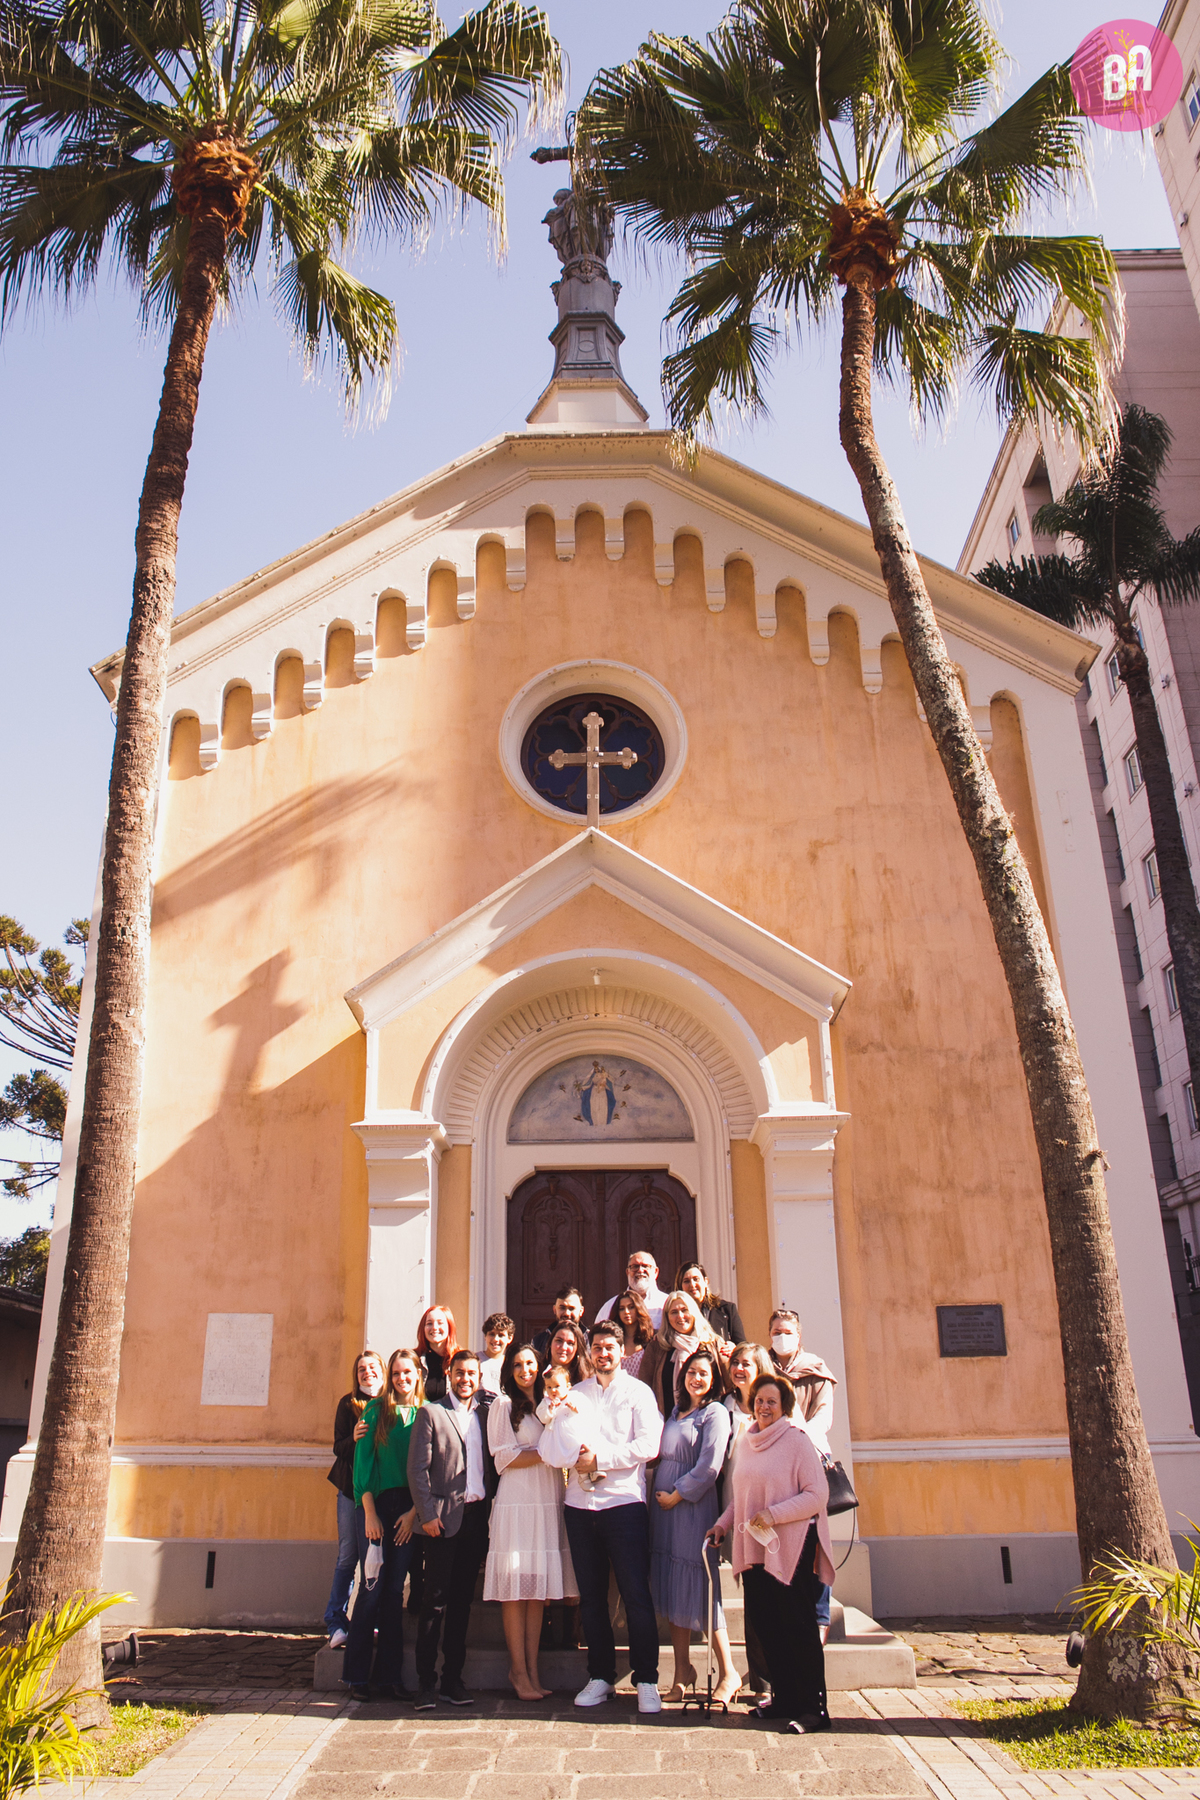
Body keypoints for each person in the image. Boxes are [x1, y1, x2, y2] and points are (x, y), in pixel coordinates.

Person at [539, 1317, 664, 1714]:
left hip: (624, 1505)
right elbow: (553, 1443)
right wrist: (569, 1451)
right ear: (589, 1353)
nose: (603, 1353)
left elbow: (649, 1445)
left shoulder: (638, 1392)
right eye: (597, 1348)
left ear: (622, 1352)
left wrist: (601, 1459)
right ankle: (600, 1677)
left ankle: (647, 1679)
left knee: (635, 1595)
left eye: (610, 1347)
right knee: (591, 1598)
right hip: (579, 1507)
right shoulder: (576, 1393)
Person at [708, 1373, 834, 1735]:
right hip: (755, 1546)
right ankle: (785, 1698)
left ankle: (814, 1708)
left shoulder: (797, 1441)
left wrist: (774, 1515)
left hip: (789, 1548)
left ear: (784, 1407)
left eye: (772, 1402)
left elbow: (817, 1495)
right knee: (768, 1626)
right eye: (760, 1401)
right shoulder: (748, 1440)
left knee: (798, 1626)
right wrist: (722, 1524)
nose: (764, 1407)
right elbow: (742, 1496)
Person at [407, 1347, 498, 1709]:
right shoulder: (431, 1412)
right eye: (459, 1373)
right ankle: (425, 1683)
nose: (465, 1379)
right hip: (441, 1521)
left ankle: (452, 1680)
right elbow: (417, 1469)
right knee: (435, 1602)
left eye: (471, 1374)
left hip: (475, 1519)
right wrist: (427, 1515)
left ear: (479, 1378)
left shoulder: (486, 1415)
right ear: (450, 1375)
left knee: (462, 1603)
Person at [484, 1343, 576, 1700]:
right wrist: (549, 1453)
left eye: (531, 1364)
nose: (525, 1370)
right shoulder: (503, 1405)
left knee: (537, 1592)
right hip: (518, 1502)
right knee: (516, 1590)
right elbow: (503, 1459)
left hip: (546, 1500)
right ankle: (518, 1671)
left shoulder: (550, 1403)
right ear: (509, 1369)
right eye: (518, 1365)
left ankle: (534, 1671)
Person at [650, 1349, 738, 1705]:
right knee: (674, 1586)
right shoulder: (676, 1412)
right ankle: (682, 1670)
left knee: (701, 1588)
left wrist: (678, 1494)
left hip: (692, 1508)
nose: (696, 1378)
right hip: (664, 1514)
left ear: (714, 1379)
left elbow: (710, 1465)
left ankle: (729, 1671)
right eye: (691, 1372)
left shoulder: (714, 1413)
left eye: (703, 1373)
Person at [343, 1348, 423, 1700]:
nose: (402, 1378)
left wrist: (414, 1513)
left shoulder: (426, 1413)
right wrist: (369, 1513)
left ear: (418, 1375)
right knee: (372, 1587)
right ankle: (357, 1676)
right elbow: (363, 1465)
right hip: (375, 1507)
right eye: (396, 1373)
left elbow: (429, 1469)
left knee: (394, 1592)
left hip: (408, 1511)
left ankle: (390, 1676)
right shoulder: (376, 1411)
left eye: (408, 1372)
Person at [768, 1309, 837, 1640]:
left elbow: (824, 1417)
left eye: (787, 1332)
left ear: (798, 1335)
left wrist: (797, 1436)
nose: (782, 1337)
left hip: (810, 1458)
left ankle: (820, 1616)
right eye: (776, 1332)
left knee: (815, 1540)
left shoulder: (816, 1370)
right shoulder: (763, 1369)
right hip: (773, 1463)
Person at [723, 1340, 775, 1696]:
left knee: (774, 1595)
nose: (739, 1368)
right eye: (736, 1362)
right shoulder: (724, 1405)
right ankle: (762, 1682)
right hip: (736, 1507)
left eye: (747, 1363)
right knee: (753, 1595)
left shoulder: (776, 1406)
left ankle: (779, 1678)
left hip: (771, 1510)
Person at [324, 1349, 385, 1648]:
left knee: (375, 1557)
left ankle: (369, 1620)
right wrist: (354, 1438)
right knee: (349, 1555)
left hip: (382, 1492)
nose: (367, 1372)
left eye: (372, 1367)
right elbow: (338, 1447)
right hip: (351, 1490)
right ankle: (336, 1621)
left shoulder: (390, 1402)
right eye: (362, 1368)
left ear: (382, 1370)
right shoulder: (348, 1404)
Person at [638, 1290, 722, 1417]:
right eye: (674, 1312)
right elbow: (645, 1387)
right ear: (667, 1317)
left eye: (684, 1310)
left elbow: (728, 1382)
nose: (680, 1316)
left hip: (707, 1420)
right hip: (668, 1421)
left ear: (694, 1312)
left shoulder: (713, 1343)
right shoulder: (657, 1346)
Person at [675, 1261, 745, 1351]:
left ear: (706, 1281)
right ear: (681, 1287)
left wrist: (734, 1348)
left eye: (696, 1279)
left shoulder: (727, 1310)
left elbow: (743, 1347)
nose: (692, 1284)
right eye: (686, 1281)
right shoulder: (676, 1314)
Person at [595, 1252, 671, 1331]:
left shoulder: (668, 1303)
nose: (640, 1270)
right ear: (627, 1272)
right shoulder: (610, 1306)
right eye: (635, 1266)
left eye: (645, 1266)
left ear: (655, 1272)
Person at [532, 1286, 587, 1362]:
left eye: (571, 1309)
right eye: (562, 1308)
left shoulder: (591, 1340)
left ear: (581, 1311)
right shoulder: (539, 1341)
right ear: (554, 1309)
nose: (567, 1313)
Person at [416, 1305, 458, 1402]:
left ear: (449, 1326)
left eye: (440, 1323)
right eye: (429, 1323)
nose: (434, 1328)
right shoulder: (415, 1359)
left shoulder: (459, 1359)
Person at [614, 1288, 654, 1378]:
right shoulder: (614, 1339)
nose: (626, 1312)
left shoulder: (651, 1339)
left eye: (631, 1307)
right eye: (621, 1309)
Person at [547, 1320, 593, 1385]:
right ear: (550, 1343)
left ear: (578, 1349)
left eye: (570, 1343)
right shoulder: (536, 1376)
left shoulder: (588, 1382)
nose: (563, 1347)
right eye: (559, 1341)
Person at [480, 1313, 514, 1393]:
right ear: (485, 1336)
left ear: (509, 1338)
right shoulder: (475, 1361)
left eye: (501, 1335)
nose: (495, 1339)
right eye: (491, 1334)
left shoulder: (511, 1363)